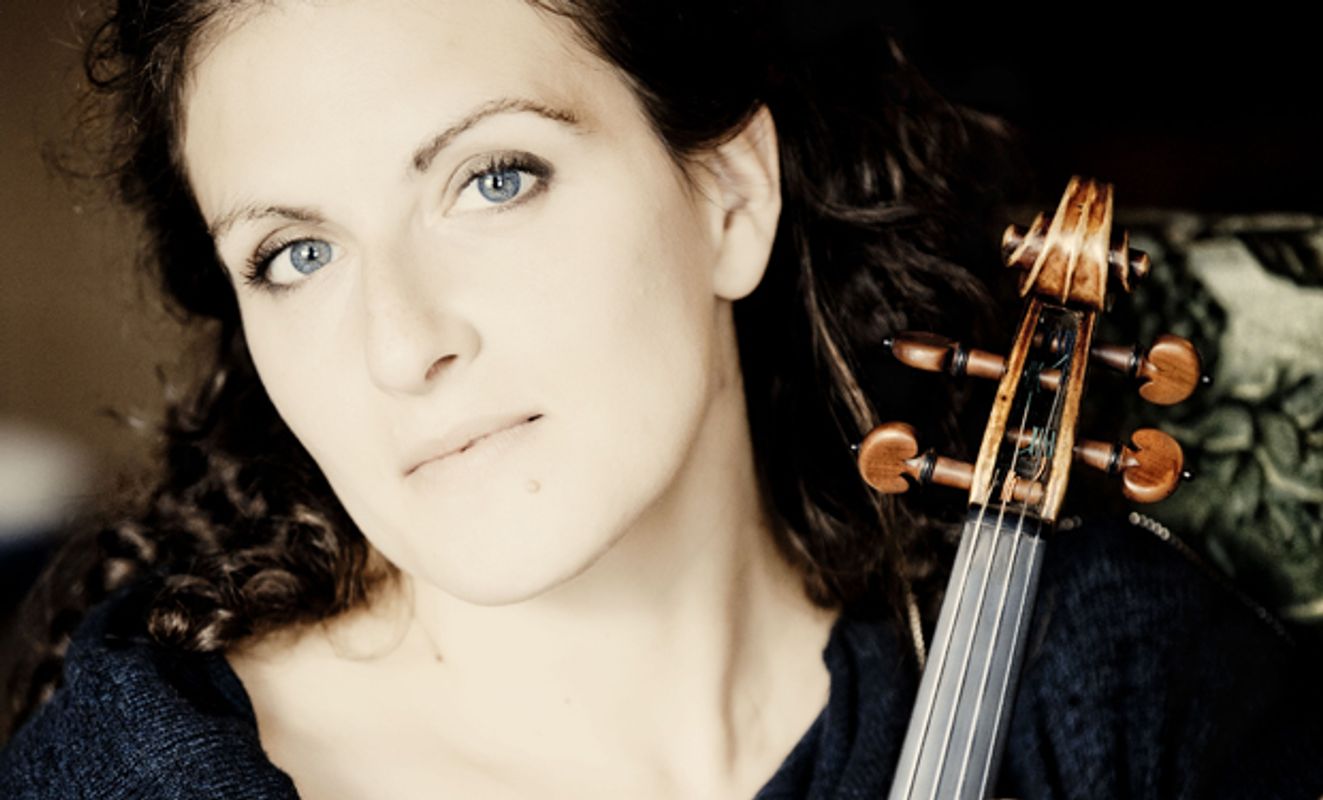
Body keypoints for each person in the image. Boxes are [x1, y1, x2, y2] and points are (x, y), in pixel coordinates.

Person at [2, 0, 1321, 797]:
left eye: (493, 180)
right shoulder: (136, 776)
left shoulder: (1108, 682)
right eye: (296, 255)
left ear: (730, 199)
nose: (402, 346)